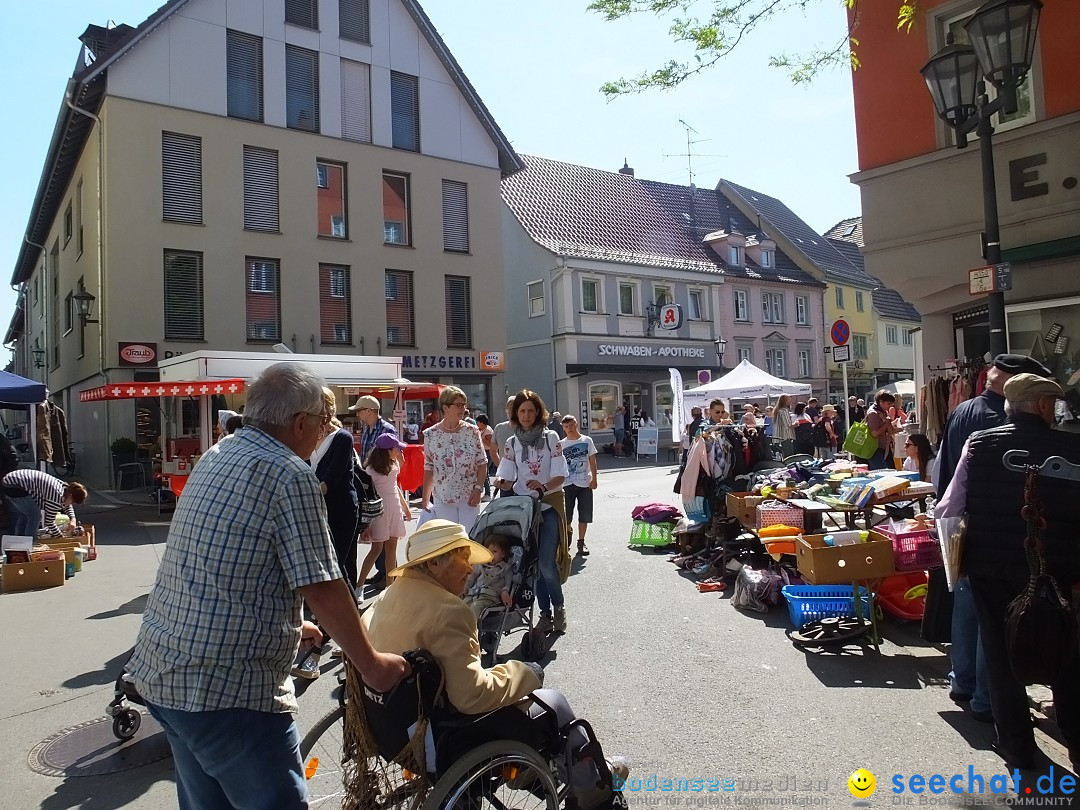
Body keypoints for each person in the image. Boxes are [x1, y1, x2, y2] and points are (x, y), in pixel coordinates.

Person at [126, 362, 407, 809]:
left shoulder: (219, 453)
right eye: (323, 421)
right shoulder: (289, 473)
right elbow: (323, 585)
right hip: (228, 691)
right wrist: (372, 665)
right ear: (300, 422)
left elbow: (227, 564)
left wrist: (292, 628)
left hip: (163, 671)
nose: (325, 430)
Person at [363, 519, 626, 794]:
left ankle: (535, 774)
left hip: (392, 733)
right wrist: (525, 673)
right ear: (434, 564)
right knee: (555, 703)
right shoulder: (450, 612)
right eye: (463, 558)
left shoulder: (385, 598)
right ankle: (597, 787)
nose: (471, 568)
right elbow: (471, 695)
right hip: (442, 741)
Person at [936, 374, 1080, 773]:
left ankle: (1017, 747)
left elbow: (948, 509)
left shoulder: (978, 444)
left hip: (991, 569)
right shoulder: (1073, 446)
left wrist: (957, 564)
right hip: (1059, 568)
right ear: (1045, 406)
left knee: (1000, 656)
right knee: (1069, 652)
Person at [933, 353, 1050, 725]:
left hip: (959, 520)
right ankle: (985, 697)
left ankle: (962, 681)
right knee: (991, 618)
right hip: (991, 527)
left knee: (967, 607)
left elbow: (943, 466)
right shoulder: (999, 420)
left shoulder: (963, 409)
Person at [494, 389, 569, 634]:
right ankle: (544, 614)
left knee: (547, 563)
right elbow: (506, 474)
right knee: (533, 567)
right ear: (515, 413)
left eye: (530, 410)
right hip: (524, 510)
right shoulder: (512, 442)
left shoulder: (551, 439)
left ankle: (558, 608)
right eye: (521, 410)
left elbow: (561, 475)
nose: (526, 415)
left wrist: (543, 486)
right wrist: (502, 483)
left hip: (548, 506)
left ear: (538, 413)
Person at [311, 389, 360, 591]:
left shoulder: (342, 438)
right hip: (316, 510)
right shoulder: (306, 436)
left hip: (341, 511)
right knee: (322, 568)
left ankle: (350, 619)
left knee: (336, 567)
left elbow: (331, 478)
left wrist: (304, 495)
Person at [421, 386, 487, 529]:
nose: (463, 409)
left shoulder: (472, 431)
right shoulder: (430, 434)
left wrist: (478, 489)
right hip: (442, 496)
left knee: (468, 539)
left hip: (469, 496)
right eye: (458, 405)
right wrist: (425, 498)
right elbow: (429, 467)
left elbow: (482, 463)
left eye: (464, 405)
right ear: (445, 408)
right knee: (448, 542)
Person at [358, 432, 412, 591]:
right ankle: (359, 586)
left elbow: (395, 486)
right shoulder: (370, 470)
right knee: (376, 549)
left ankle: (391, 586)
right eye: (396, 449)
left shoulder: (393, 464)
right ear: (387, 451)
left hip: (394, 507)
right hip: (379, 511)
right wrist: (366, 523)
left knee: (392, 549)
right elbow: (366, 496)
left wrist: (405, 506)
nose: (399, 452)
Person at [1, 469, 87, 537]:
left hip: (12, 481)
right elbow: (49, 522)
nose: (71, 504)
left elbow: (66, 505)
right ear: (71, 496)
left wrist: (73, 519)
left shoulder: (64, 488)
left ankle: (20, 542)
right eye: (73, 502)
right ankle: (31, 544)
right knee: (35, 516)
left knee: (25, 516)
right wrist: (60, 536)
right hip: (14, 485)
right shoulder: (56, 496)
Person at [560, 414, 598, 557]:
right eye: (566, 427)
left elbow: (592, 460)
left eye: (571, 425)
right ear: (563, 428)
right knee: (566, 515)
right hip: (567, 483)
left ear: (576, 424)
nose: (569, 428)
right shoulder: (561, 444)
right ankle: (567, 537)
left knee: (585, 514)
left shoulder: (587, 440)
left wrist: (594, 478)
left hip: (584, 483)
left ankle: (581, 542)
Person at [463, 533, 515, 618]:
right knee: (460, 607)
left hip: (489, 597)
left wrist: (504, 593)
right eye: (488, 552)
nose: (491, 555)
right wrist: (464, 589)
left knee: (475, 607)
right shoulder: (480, 565)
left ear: (503, 554)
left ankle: (469, 630)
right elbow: (470, 579)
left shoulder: (505, 569)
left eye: (495, 552)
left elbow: (507, 584)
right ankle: (454, 629)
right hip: (472, 594)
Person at [863, 390, 899, 469]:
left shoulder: (882, 412)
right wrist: (886, 423)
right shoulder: (873, 413)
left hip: (883, 447)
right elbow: (874, 433)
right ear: (881, 402)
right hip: (874, 449)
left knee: (890, 471)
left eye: (891, 404)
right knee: (882, 473)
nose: (890, 406)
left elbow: (890, 431)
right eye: (888, 404)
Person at [475, 413, 498, 501]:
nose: (477, 424)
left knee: (484, 473)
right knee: (485, 473)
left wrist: (483, 440)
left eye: (478, 422)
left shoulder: (487, 431)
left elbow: (491, 444)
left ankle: (488, 493)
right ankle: (487, 493)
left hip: (488, 452)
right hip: (485, 452)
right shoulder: (483, 430)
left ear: (481, 422)